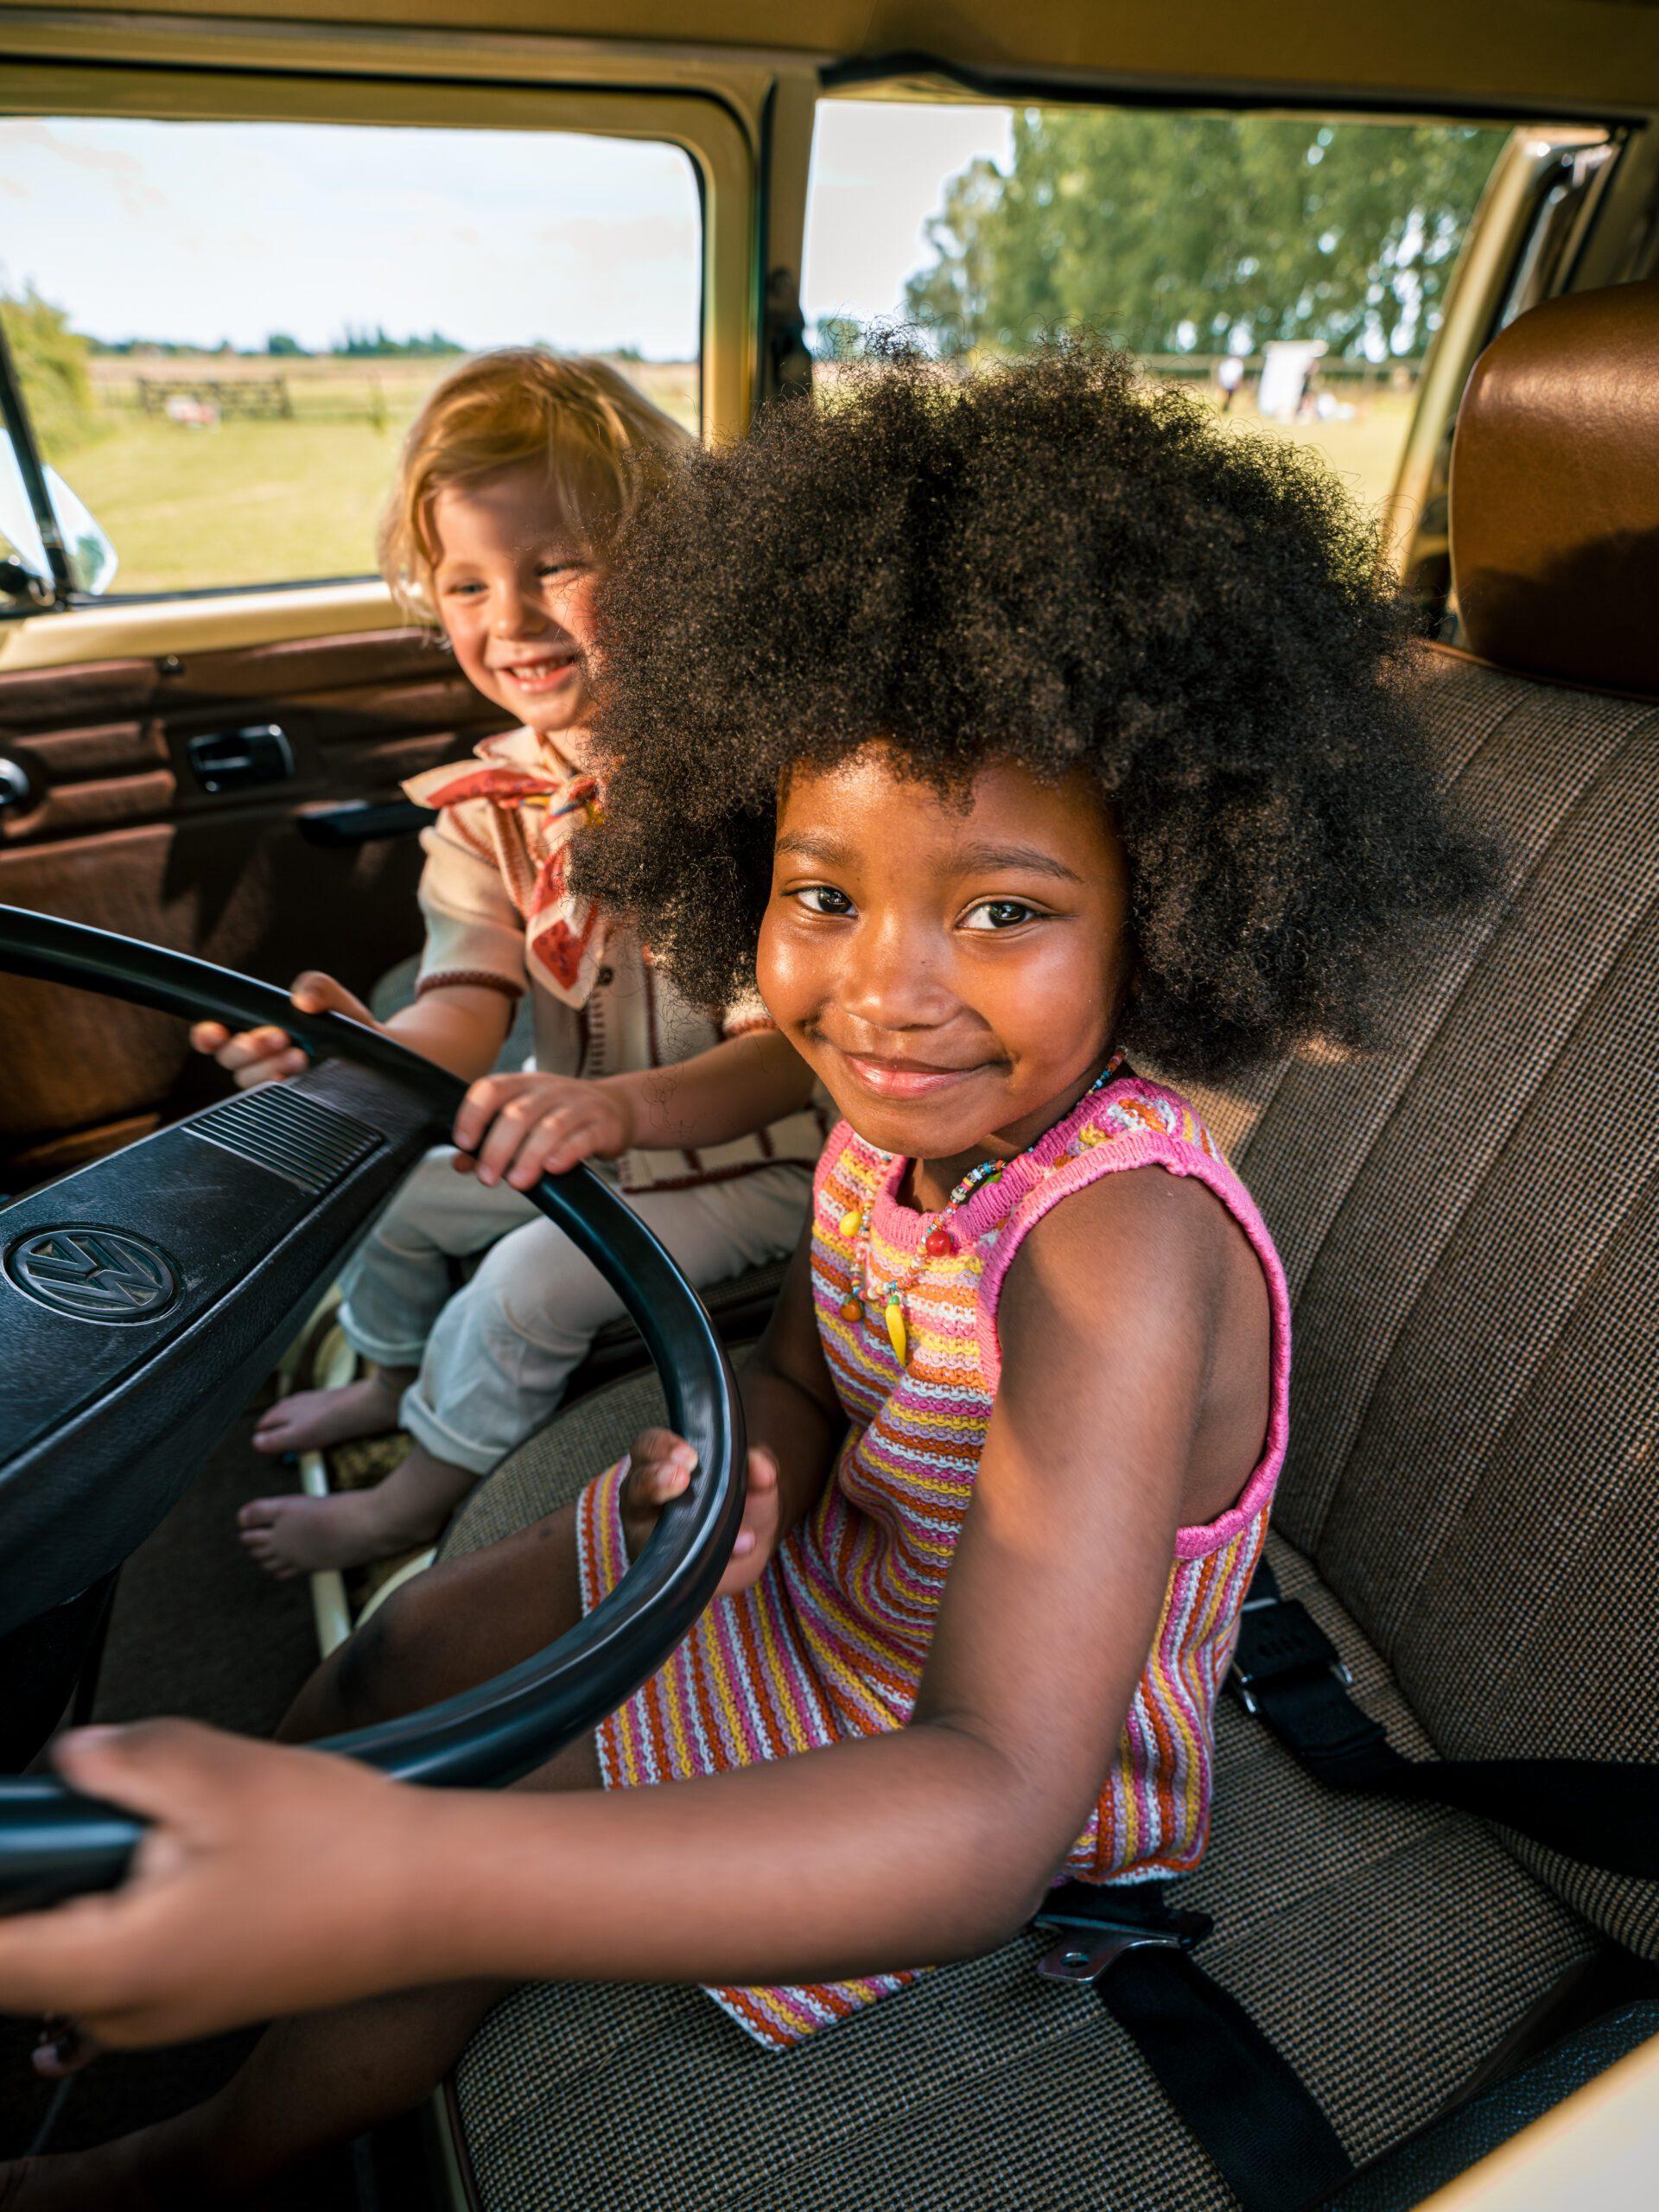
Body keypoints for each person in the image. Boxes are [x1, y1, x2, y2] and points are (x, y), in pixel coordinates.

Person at [0, 340, 1493, 2207]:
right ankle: (191, 1928)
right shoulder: (887, 1116)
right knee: (408, 1646)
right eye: (822, 895)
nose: (882, 991)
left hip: (963, 1735)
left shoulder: (1114, 1247)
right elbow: (804, 1361)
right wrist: (757, 1454)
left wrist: (389, 1873)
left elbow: (986, 1807)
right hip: (821, 1559)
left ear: (1177, 907)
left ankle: (200, 2149)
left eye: (1004, 910)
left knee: (461, 1840)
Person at [189, 349, 823, 1578]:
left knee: (529, 1282)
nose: (511, 619)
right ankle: (390, 1373)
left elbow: (788, 1061)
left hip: (760, 1164)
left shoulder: (746, 802)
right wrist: (355, 1057)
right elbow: (462, 1017)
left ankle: (417, 1492)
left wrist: (613, 1111)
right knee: (378, 1181)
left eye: (558, 567)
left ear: (671, 569)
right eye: (468, 584)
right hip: (581, 1134)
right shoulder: (488, 812)